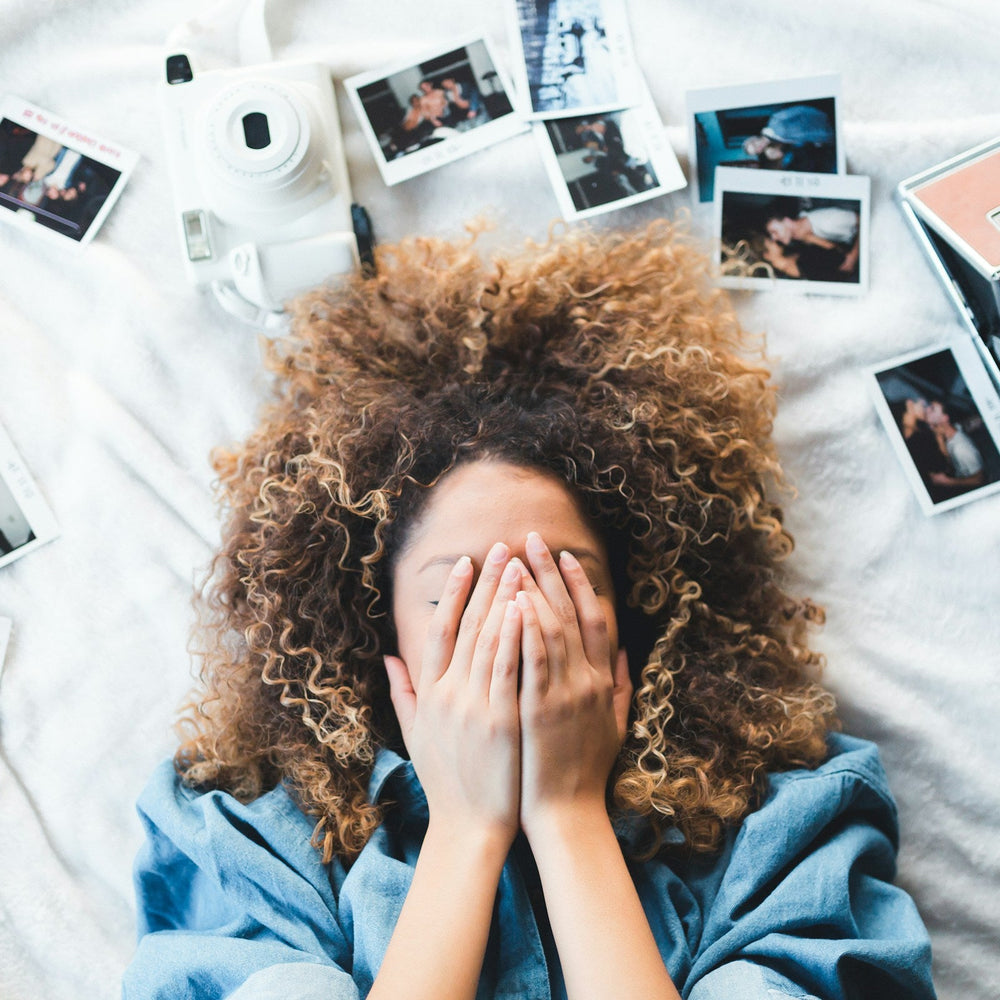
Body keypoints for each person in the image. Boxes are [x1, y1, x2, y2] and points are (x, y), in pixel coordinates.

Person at [123, 223, 936, 1000]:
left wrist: (569, 814)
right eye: (457, 593)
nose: (514, 623)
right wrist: (465, 829)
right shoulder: (248, 828)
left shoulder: (791, 820)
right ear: (379, 629)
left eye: (559, 581)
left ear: (634, 611)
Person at [742, 104, 836, 173]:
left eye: (754, 145)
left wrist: (823, 117)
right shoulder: (776, 143)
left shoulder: (775, 120)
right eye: (757, 151)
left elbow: (801, 110)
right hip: (825, 135)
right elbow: (799, 139)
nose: (759, 148)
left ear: (754, 138)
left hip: (826, 122)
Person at [925, 398, 985, 491]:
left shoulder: (961, 448)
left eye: (932, 409)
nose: (927, 409)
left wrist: (948, 482)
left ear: (945, 418)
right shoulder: (948, 434)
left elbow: (980, 479)